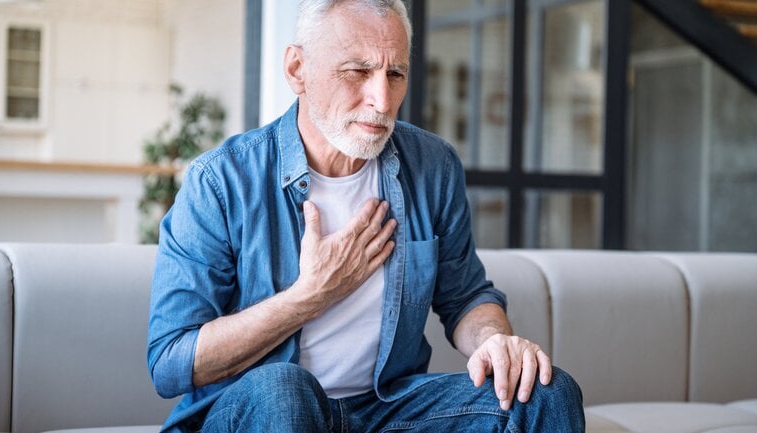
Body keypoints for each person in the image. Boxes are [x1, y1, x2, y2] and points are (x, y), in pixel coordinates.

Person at [147, 0, 585, 431]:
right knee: (283, 389)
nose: (382, 100)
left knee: (546, 392)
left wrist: (496, 342)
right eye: (357, 72)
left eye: (395, 74)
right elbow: (171, 361)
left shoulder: (433, 166)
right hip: (258, 410)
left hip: (384, 408)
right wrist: (309, 297)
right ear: (297, 70)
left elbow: (465, 296)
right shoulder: (221, 181)